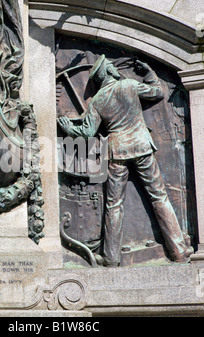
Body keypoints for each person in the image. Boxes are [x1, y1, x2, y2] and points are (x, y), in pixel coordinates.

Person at [58, 54, 193, 266]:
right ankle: (178, 251)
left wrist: (68, 128)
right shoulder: (129, 85)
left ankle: (111, 258)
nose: (114, 67)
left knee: (114, 205)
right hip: (141, 147)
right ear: (109, 72)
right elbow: (157, 91)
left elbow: (87, 132)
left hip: (117, 152)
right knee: (159, 197)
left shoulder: (99, 100)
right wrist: (149, 72)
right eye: (111, 65)